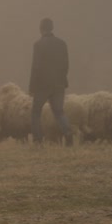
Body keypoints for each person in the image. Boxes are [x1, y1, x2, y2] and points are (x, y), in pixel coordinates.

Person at [29, 18, 73, 147]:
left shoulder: (38, 45)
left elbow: (35, 67)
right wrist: (62, 79)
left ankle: (37, 140)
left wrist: (32, 87)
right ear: (52, 28)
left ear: (41, 29)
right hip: (59, 84)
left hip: (42, 85)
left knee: (36, 112)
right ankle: (68, 133)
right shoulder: (62, 43)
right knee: (59, 111)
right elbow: (66, 64)